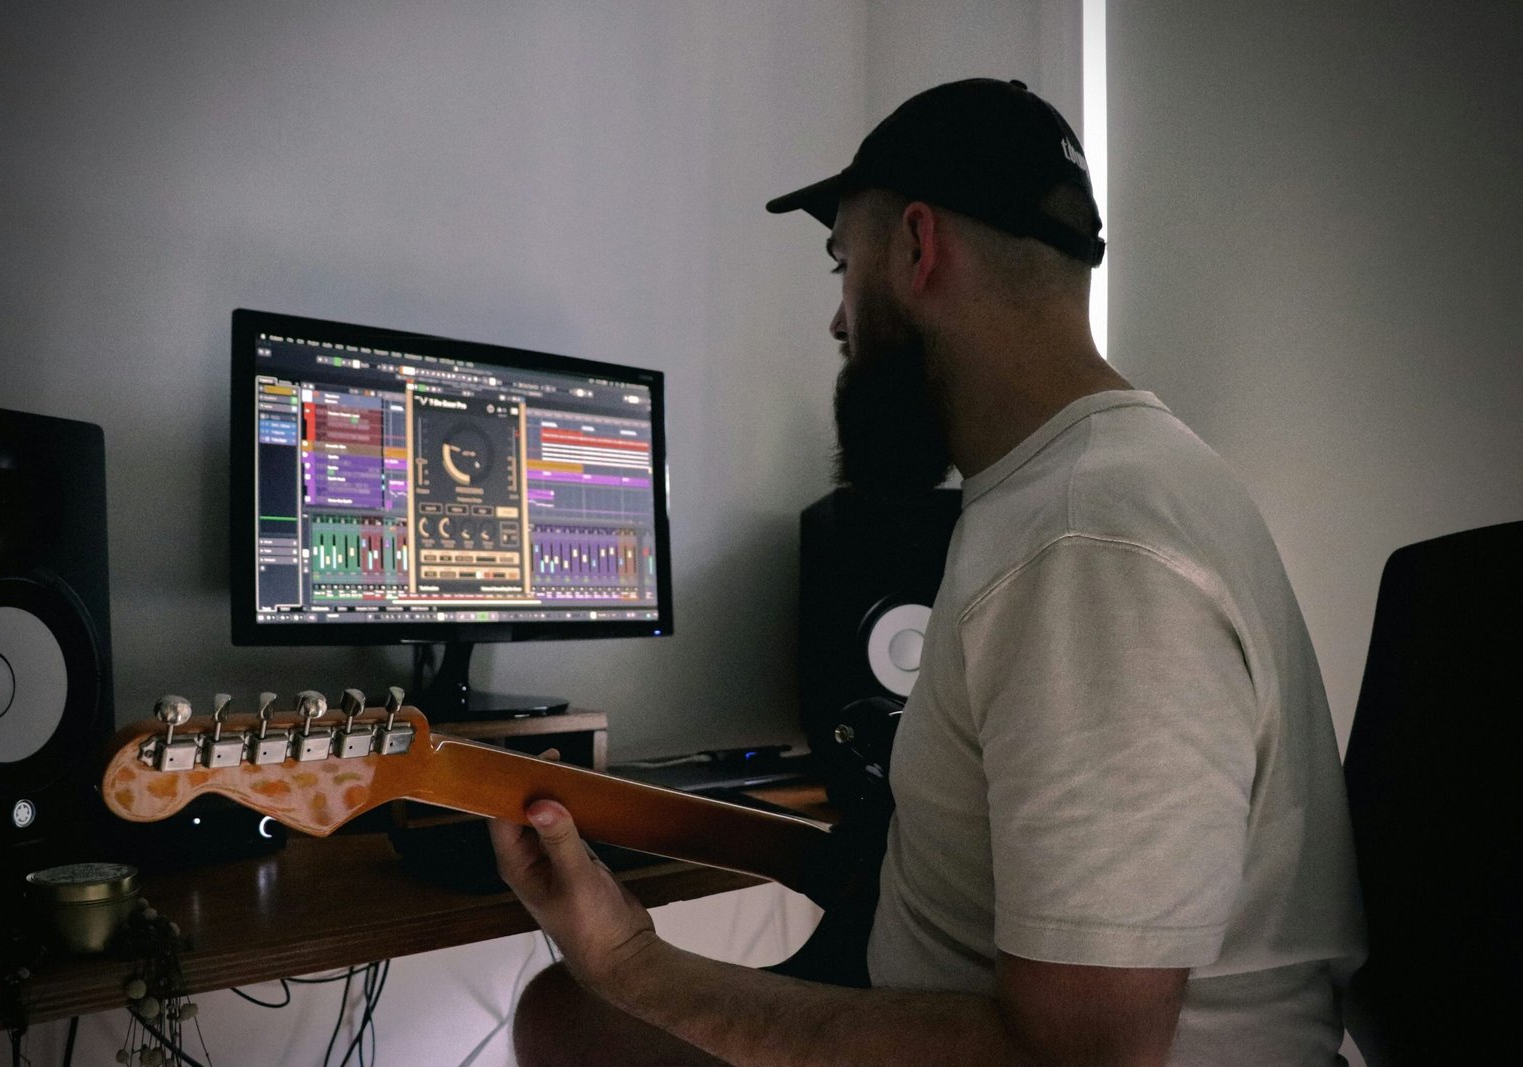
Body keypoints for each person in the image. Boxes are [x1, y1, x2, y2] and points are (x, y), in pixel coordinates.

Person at [490, 77, 1365, 1066]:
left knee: (583, 1010)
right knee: (570, 1015)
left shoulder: (1084, 546)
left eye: (841, 265)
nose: (835, 322)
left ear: (916, 245)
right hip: (959, 995)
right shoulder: (1063, 492)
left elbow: (1080, 1056)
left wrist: (630, 956)